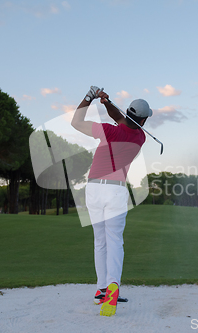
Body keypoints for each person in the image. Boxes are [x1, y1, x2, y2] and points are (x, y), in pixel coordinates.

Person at [71, 86, 152, 317]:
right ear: (144, 120)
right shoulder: (140, 137)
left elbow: (76, 122)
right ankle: (112, 287)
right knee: (115, 240)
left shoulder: (107, 131)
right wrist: (106, 103)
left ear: (129, 113)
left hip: (94, 189)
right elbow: (123, 121)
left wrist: (90, 97)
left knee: (100, 242)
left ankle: (102, 290)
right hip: (115, 192)